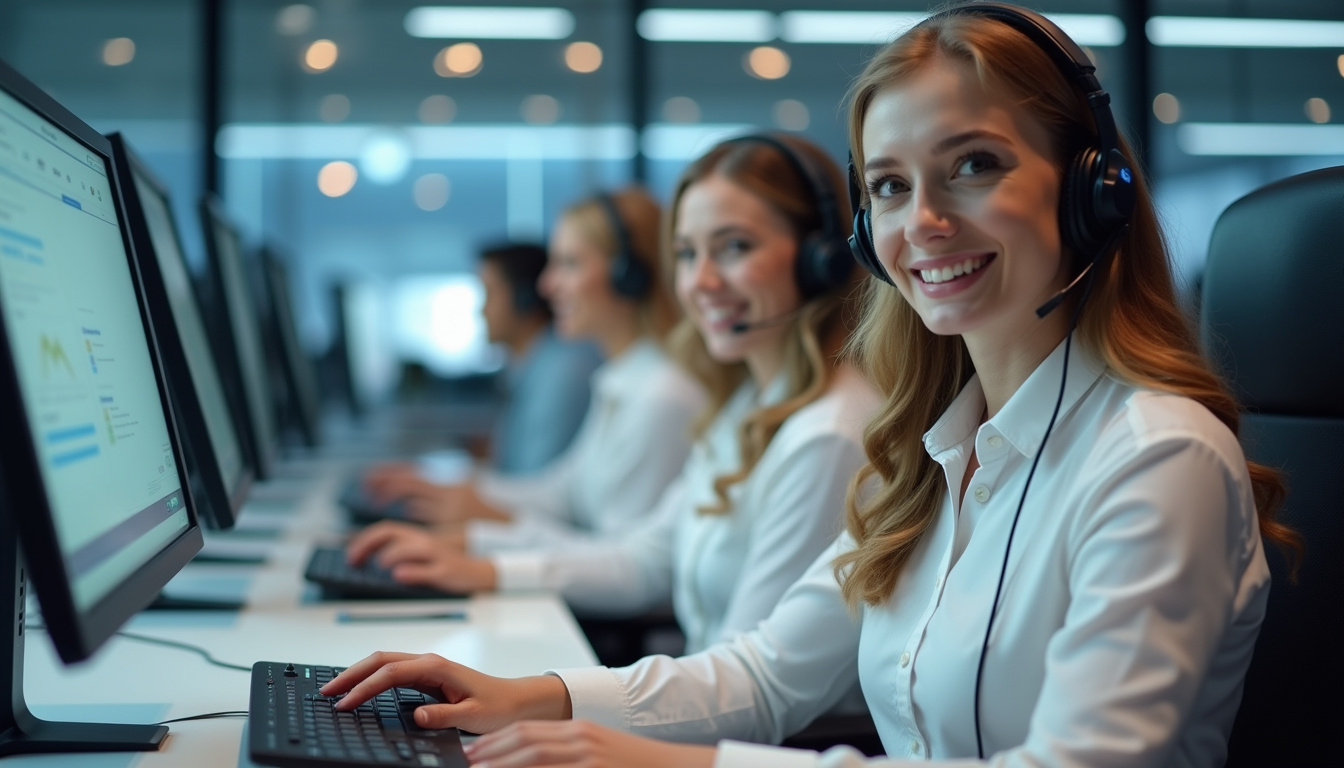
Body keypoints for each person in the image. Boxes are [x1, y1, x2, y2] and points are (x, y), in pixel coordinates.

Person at [320, 5, 1303, 767]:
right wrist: (521, 694)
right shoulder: (922, 454)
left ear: (1093, 189)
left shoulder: (1155, 456)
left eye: (972, 166)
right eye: (887, 186)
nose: (921, 222)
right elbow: (767, 670)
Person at [346, 133, 879, 657]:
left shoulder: (824, 435)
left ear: (823, 257)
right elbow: (644, 558)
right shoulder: (743, 408)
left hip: (732, 722)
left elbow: (751, 682)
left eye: (734, 247)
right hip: (698, 698)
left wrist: (556, 697)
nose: (701, 281)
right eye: (688, 254)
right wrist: (482, 557)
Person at [362, 189, 705, 553]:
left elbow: (625, 562)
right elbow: (561, 494)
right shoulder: (622, 380)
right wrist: (453, 492)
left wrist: (488, 533)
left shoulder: (660, 397)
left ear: (629, 275)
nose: (547, 285)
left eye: (569, 264)